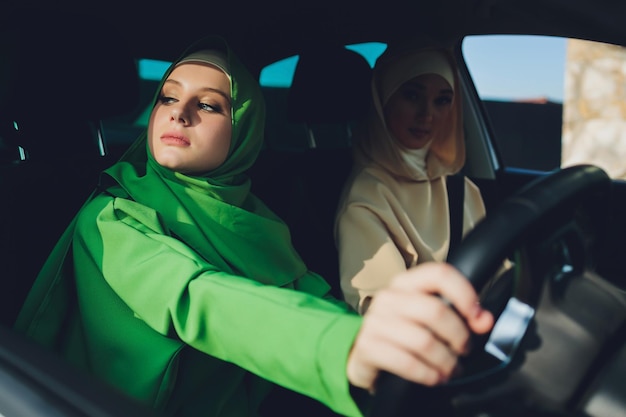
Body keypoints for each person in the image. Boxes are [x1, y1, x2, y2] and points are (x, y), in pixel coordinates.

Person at [14, 36, 493, 417]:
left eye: (209, 105)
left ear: (243, 130)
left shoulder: (259, 221)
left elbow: (306, 293)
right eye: (167, 97)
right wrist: (343, 346)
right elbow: (198, 297)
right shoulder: (112, 215)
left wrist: (391, 331)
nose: (178, 113)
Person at [335, 42, 488, 314]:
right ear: (383, 101)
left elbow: (497, 272)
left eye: (442, 100)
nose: (427, 115)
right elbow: (386, 308)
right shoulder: (366, 195)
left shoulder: (462, 188)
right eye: (412, 96)